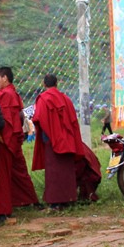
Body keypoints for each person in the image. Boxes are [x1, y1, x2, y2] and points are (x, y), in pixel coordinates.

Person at [32, 74, 84, 209]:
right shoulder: (66, 99)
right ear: (57, 83)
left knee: (53, 171)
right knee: (66, 169)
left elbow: (38, 119)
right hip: (66, 139)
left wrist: (51, 135)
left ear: (44, 84)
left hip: (50, 140)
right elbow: (73, 121)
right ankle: (68, 199)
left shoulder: (43, 99)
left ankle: (55, 202)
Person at [0, 67, 40, 209]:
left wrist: (0, 135)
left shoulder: (6, 94)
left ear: (5, 78)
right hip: (12, 138)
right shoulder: (9, 93)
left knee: (9, 173)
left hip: (7, 140)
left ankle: (12, 203)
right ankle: (27, 201)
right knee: (18, 172)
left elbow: (7, 119)